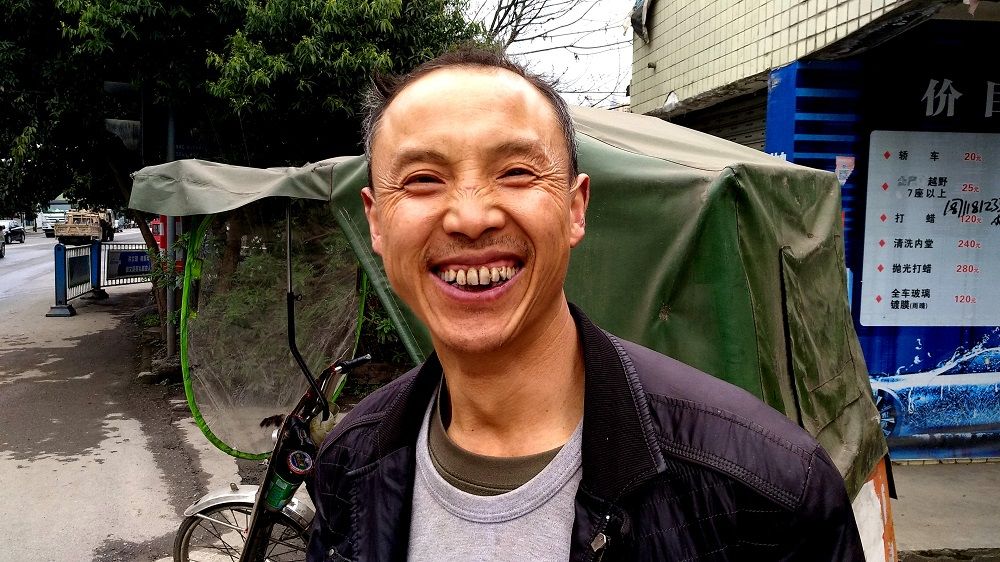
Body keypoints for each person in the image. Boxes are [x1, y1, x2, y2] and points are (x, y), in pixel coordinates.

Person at [307, 46, 864, 561]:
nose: (471, 217)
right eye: (423, 180)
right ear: (376, 222)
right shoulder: (348, 466)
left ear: (576, 208)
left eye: (516, 172)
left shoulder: (765, 491)